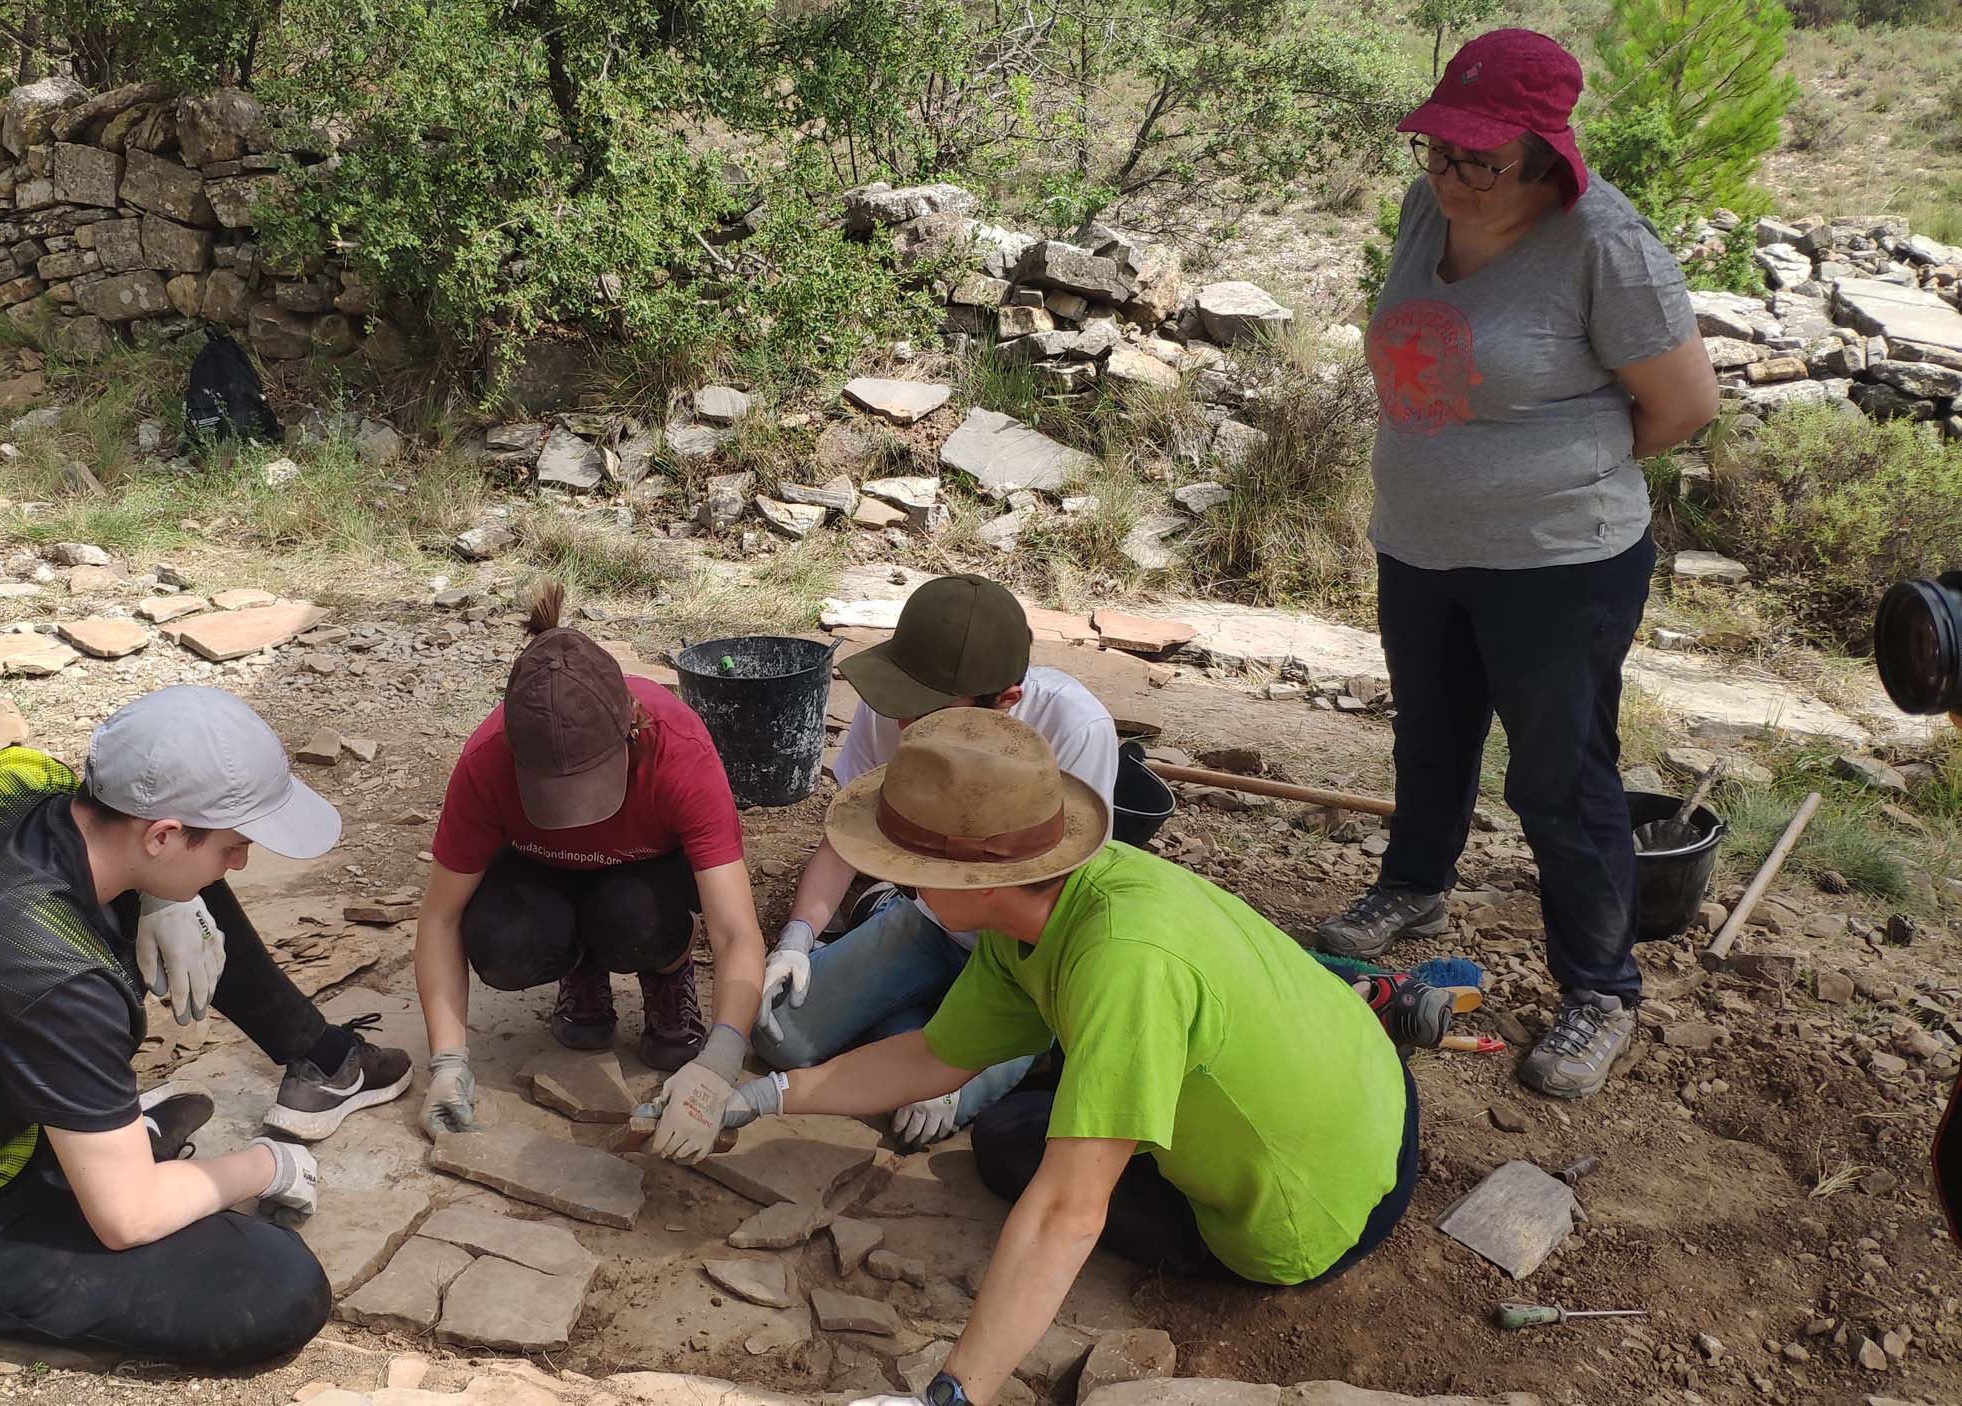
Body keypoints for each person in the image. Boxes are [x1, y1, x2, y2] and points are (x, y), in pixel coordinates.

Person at [653, 711, 1416, 1406]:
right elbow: (934, 1054)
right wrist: (758, 1096)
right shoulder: (1048, 911)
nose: (896, 879)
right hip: (1370, 1088)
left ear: (970, 883)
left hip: (1315, 1211)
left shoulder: (1123, 965)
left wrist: (947, 1396)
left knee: (1032, 1166)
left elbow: (1065, 1214)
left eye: (904, 863)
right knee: (1013, 1134)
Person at [1317, 28, 1721, 1100]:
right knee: (1430, 730)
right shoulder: (1427, 212)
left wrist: (1551, 477)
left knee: (1558, 775)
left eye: (1476, 159)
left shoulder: (1604, 244)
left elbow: (1683, 407)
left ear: (1547, 155)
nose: (1447, 175)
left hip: (1560, 563)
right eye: (1435, 149)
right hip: (1419, 541)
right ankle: (1412, 887)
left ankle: (1599, 988)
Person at [0, 686, 412, 1366]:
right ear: (163, 833)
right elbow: (128, 1220)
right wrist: (267, 1165)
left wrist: (169, 901)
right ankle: (99, 1157)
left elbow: (142, 862)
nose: (242, 861)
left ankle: (105, 1141)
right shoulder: (64, 983)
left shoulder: (17, 777)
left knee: (180, 887)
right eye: (234, 845)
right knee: (276, 1286)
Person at [752, 573, 1119, 1147]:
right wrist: (797, 938)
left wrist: (963, 1062)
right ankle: (919, 1027)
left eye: (929, 710)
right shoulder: (896, 705)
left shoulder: (1074, 728)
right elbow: (846, 838)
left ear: (1005, 702)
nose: (905, 723)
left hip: (1019, 957)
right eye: (905, 700)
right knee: (780, 1036)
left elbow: (1056, 900)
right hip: (930, 914)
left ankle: (951, 1042)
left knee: (921, 1115)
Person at [413, 582, 766, 1165]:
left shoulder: (679, 750)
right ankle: (579, 967)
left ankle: (666, 968)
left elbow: (736, 931)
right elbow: (440, 917)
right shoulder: (486, 759)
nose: (574, 816)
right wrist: (448, 1064)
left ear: (630, 725)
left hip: (642, 884)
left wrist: (720, 1064)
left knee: (634, 921)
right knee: (504, 944)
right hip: (539, 877)